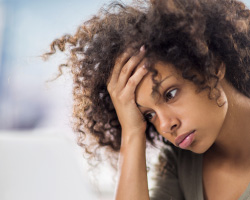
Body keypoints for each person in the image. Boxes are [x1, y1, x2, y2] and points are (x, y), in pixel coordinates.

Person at [44, 0, 250, 199]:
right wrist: (132, 132)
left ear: (213, 66)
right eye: (149, 115)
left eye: (170, 94)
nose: (166, 125)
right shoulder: (178, 162)